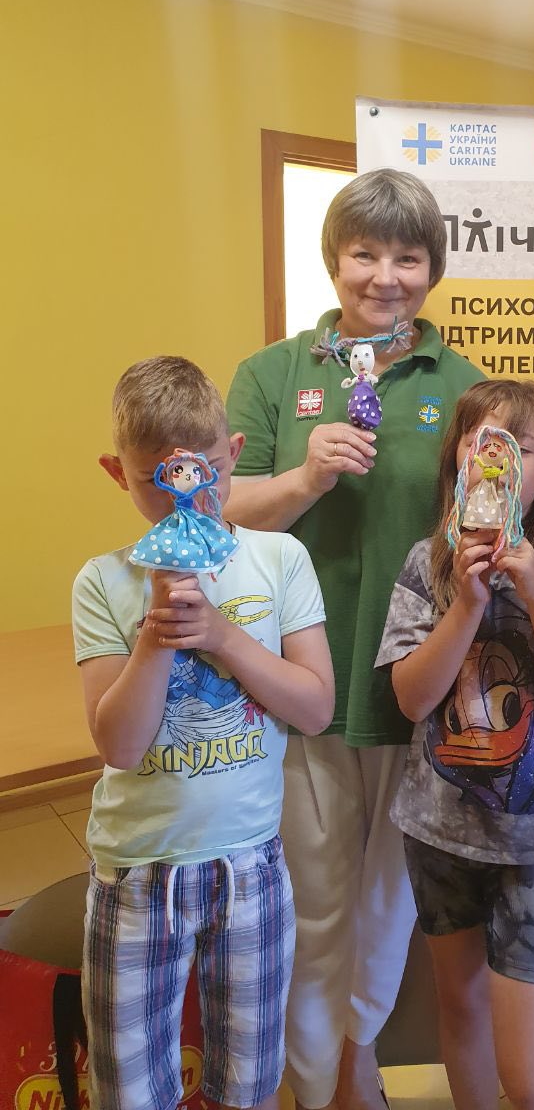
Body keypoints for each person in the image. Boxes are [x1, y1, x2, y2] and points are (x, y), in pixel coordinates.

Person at [224, 169, 534, 1110]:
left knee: (385, 912)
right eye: (364, 253)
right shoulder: (272, 374)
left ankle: (358, 1064)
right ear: (333, 259)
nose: (385, 276)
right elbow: (215, 510)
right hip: (299, 682)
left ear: (433, 268)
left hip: (421, 702)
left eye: (408, 257)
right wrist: (301, 480)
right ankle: (315, 1082)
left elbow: (518, 516)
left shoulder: (461, 386)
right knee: (314, 903)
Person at [72, 355, 334, 1110]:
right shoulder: (103, 581)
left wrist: (221, 635)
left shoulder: (279, 558)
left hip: (251, 864)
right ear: (118, 474)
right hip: (137, 872)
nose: (187, 495)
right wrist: (156, 634)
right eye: (159, 480)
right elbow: (120, 746)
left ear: (234, 455)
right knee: (131, 1088)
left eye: (206, 472)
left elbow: (315, 707)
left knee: (248, 1082)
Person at [376, 379, 534, 1110]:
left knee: (531, 1076)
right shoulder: (426, 564)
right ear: (456, 463)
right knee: (461, 1013)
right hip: (440, 832)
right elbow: (412, 698)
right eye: (479, 442)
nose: (496, 459)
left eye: (518, 446)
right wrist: (466, 603)